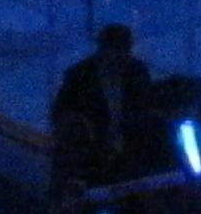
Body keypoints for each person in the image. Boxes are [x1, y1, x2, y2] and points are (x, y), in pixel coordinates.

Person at [49, 23, 153, 183]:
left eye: (124, 50)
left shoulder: (137, 72)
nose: (120, 56)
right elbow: (60, 113)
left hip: (131, 151)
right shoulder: (80, 76)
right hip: (89, 154)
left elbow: (146, 105)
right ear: (103, 50)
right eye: (116, 50)